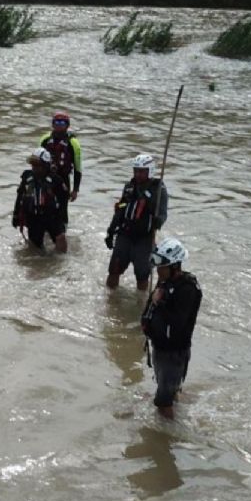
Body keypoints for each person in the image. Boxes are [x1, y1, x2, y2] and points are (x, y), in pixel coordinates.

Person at [140, 237, 202, 420]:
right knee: (167, 392)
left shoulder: (188, 289)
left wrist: (160, 302)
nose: (158, 270)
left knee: (162, 402)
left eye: (162, 266)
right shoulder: (165, 281)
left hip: (174, 353)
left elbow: (177, 322)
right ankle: (173, 403)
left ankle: (166, 437)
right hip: (160, 348)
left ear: (175, 266)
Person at [104, 154, 169, 290]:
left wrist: (158, 221)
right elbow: (120, 210)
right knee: (113, 270)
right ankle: (110, 300)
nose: (137, 174)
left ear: (149, 171)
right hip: (125, 235)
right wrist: (110, 231)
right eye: (136, 171)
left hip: (144, 239)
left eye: (141, 171)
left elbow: (162, 214)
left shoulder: (158, 190)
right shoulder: (129, 187)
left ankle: (140, 303)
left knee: (142, 275)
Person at [11, 148, 69, 253]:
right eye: (33, 164)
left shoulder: (56, 180)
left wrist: (62, 219)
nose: (34, 167)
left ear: (46, 165)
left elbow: (64, 200)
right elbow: (20, 196)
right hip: (33, 217)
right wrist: (16, 216)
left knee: (61, 240)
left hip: (52, 216)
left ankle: (62, 264)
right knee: (35, 249)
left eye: (37, 165)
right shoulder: (27, 177)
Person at [39, 111, 83, 223]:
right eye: (57, 122)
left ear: (67, 125)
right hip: (45, 179)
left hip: (63, 180)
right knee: (43, 208)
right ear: (53, 124)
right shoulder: (45, 139)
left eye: (62, 122)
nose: (59, 125)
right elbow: (37, 161)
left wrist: (75, 190)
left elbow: (78, 168)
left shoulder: (73, 143)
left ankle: (63, 234)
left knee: (62, 211)